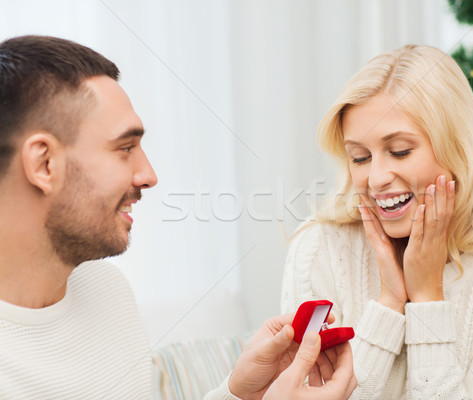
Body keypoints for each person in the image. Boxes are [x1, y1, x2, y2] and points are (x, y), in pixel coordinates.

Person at [0, 35, 356, 399]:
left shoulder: (105, 289)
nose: (149, 175)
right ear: (44, 164)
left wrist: (240, 393)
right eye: (125, 148)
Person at [281, 44, 473, 399]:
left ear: (457, 151)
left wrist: (427, 300)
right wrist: (389, 306)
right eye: (360, 157)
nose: (376, 178)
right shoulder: (319, 248)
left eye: (399, 151)